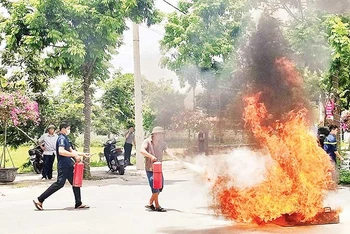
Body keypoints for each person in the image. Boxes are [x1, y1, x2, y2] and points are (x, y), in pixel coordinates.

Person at [33, 122, 89, 210]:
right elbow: (61, 151)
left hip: (68, 164)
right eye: (68, 128)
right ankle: (40, 200)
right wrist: (74, 156)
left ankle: (78, 203)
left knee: (75, 183)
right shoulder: (61, 139)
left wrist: (82, 154)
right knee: (59, 184)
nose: (69, 130)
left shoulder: (65, 138)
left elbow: (71, 151)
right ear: (63, 129)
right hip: (64, 165)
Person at [140, 126, 172, 212]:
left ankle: (150, 203)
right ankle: (157, 206)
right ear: (154, 134)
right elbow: (141, 150)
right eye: (159, 134)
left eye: (162, 134)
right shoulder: (147, 142)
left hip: (158, 169)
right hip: (150, 169)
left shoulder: (162, 143)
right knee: (155, 188)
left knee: (160, 187)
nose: (161, 136)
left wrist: (174, 156)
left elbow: (168, 150)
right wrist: (150, 156)